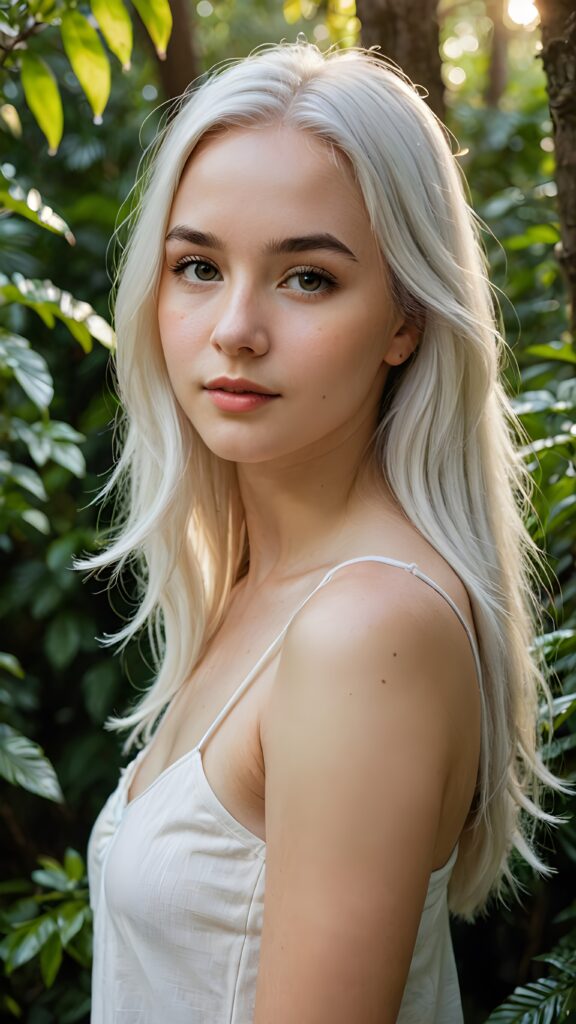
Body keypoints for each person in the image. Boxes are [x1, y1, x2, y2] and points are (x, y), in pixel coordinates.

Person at [80, 39, 564, 1024]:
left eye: (307, 278)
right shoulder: (260, 582)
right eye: (199, 266)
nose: (236, 327)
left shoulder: (366, 628)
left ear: (406, 320)